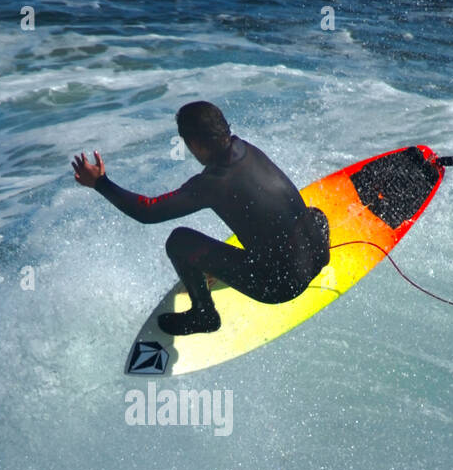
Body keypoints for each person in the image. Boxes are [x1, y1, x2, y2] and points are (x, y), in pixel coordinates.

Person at [72, 101, 330, 335]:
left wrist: (100, 183)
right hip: (318, 252)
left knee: (179, 242)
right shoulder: (245, 148)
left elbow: (148, 211)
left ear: (195, 144)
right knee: (309, 214)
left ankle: (204, 315)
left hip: (281, 285)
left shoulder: (215, 182)